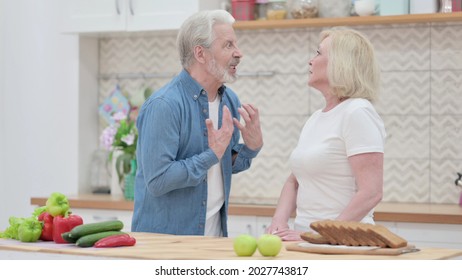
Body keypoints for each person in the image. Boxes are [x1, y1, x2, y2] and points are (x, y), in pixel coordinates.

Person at [131, 10, 263, 237]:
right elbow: (158, 180)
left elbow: (224, 165)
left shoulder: (229, 100)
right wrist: (210, 155)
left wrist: (250, 149)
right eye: (228, 45)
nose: (238, 53)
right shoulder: (165, 105)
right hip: (165, 246)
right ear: (200, 54)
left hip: (213, 239)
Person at [266, 28, 386, 241]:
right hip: (305, 240)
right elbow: (294, 181)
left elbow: (371, 193)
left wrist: (322, 234)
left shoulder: (357, 112)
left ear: (341, 63)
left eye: (318, 53)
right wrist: (279, 220)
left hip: (343, 242)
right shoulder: (316, 118)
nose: (310, 61)